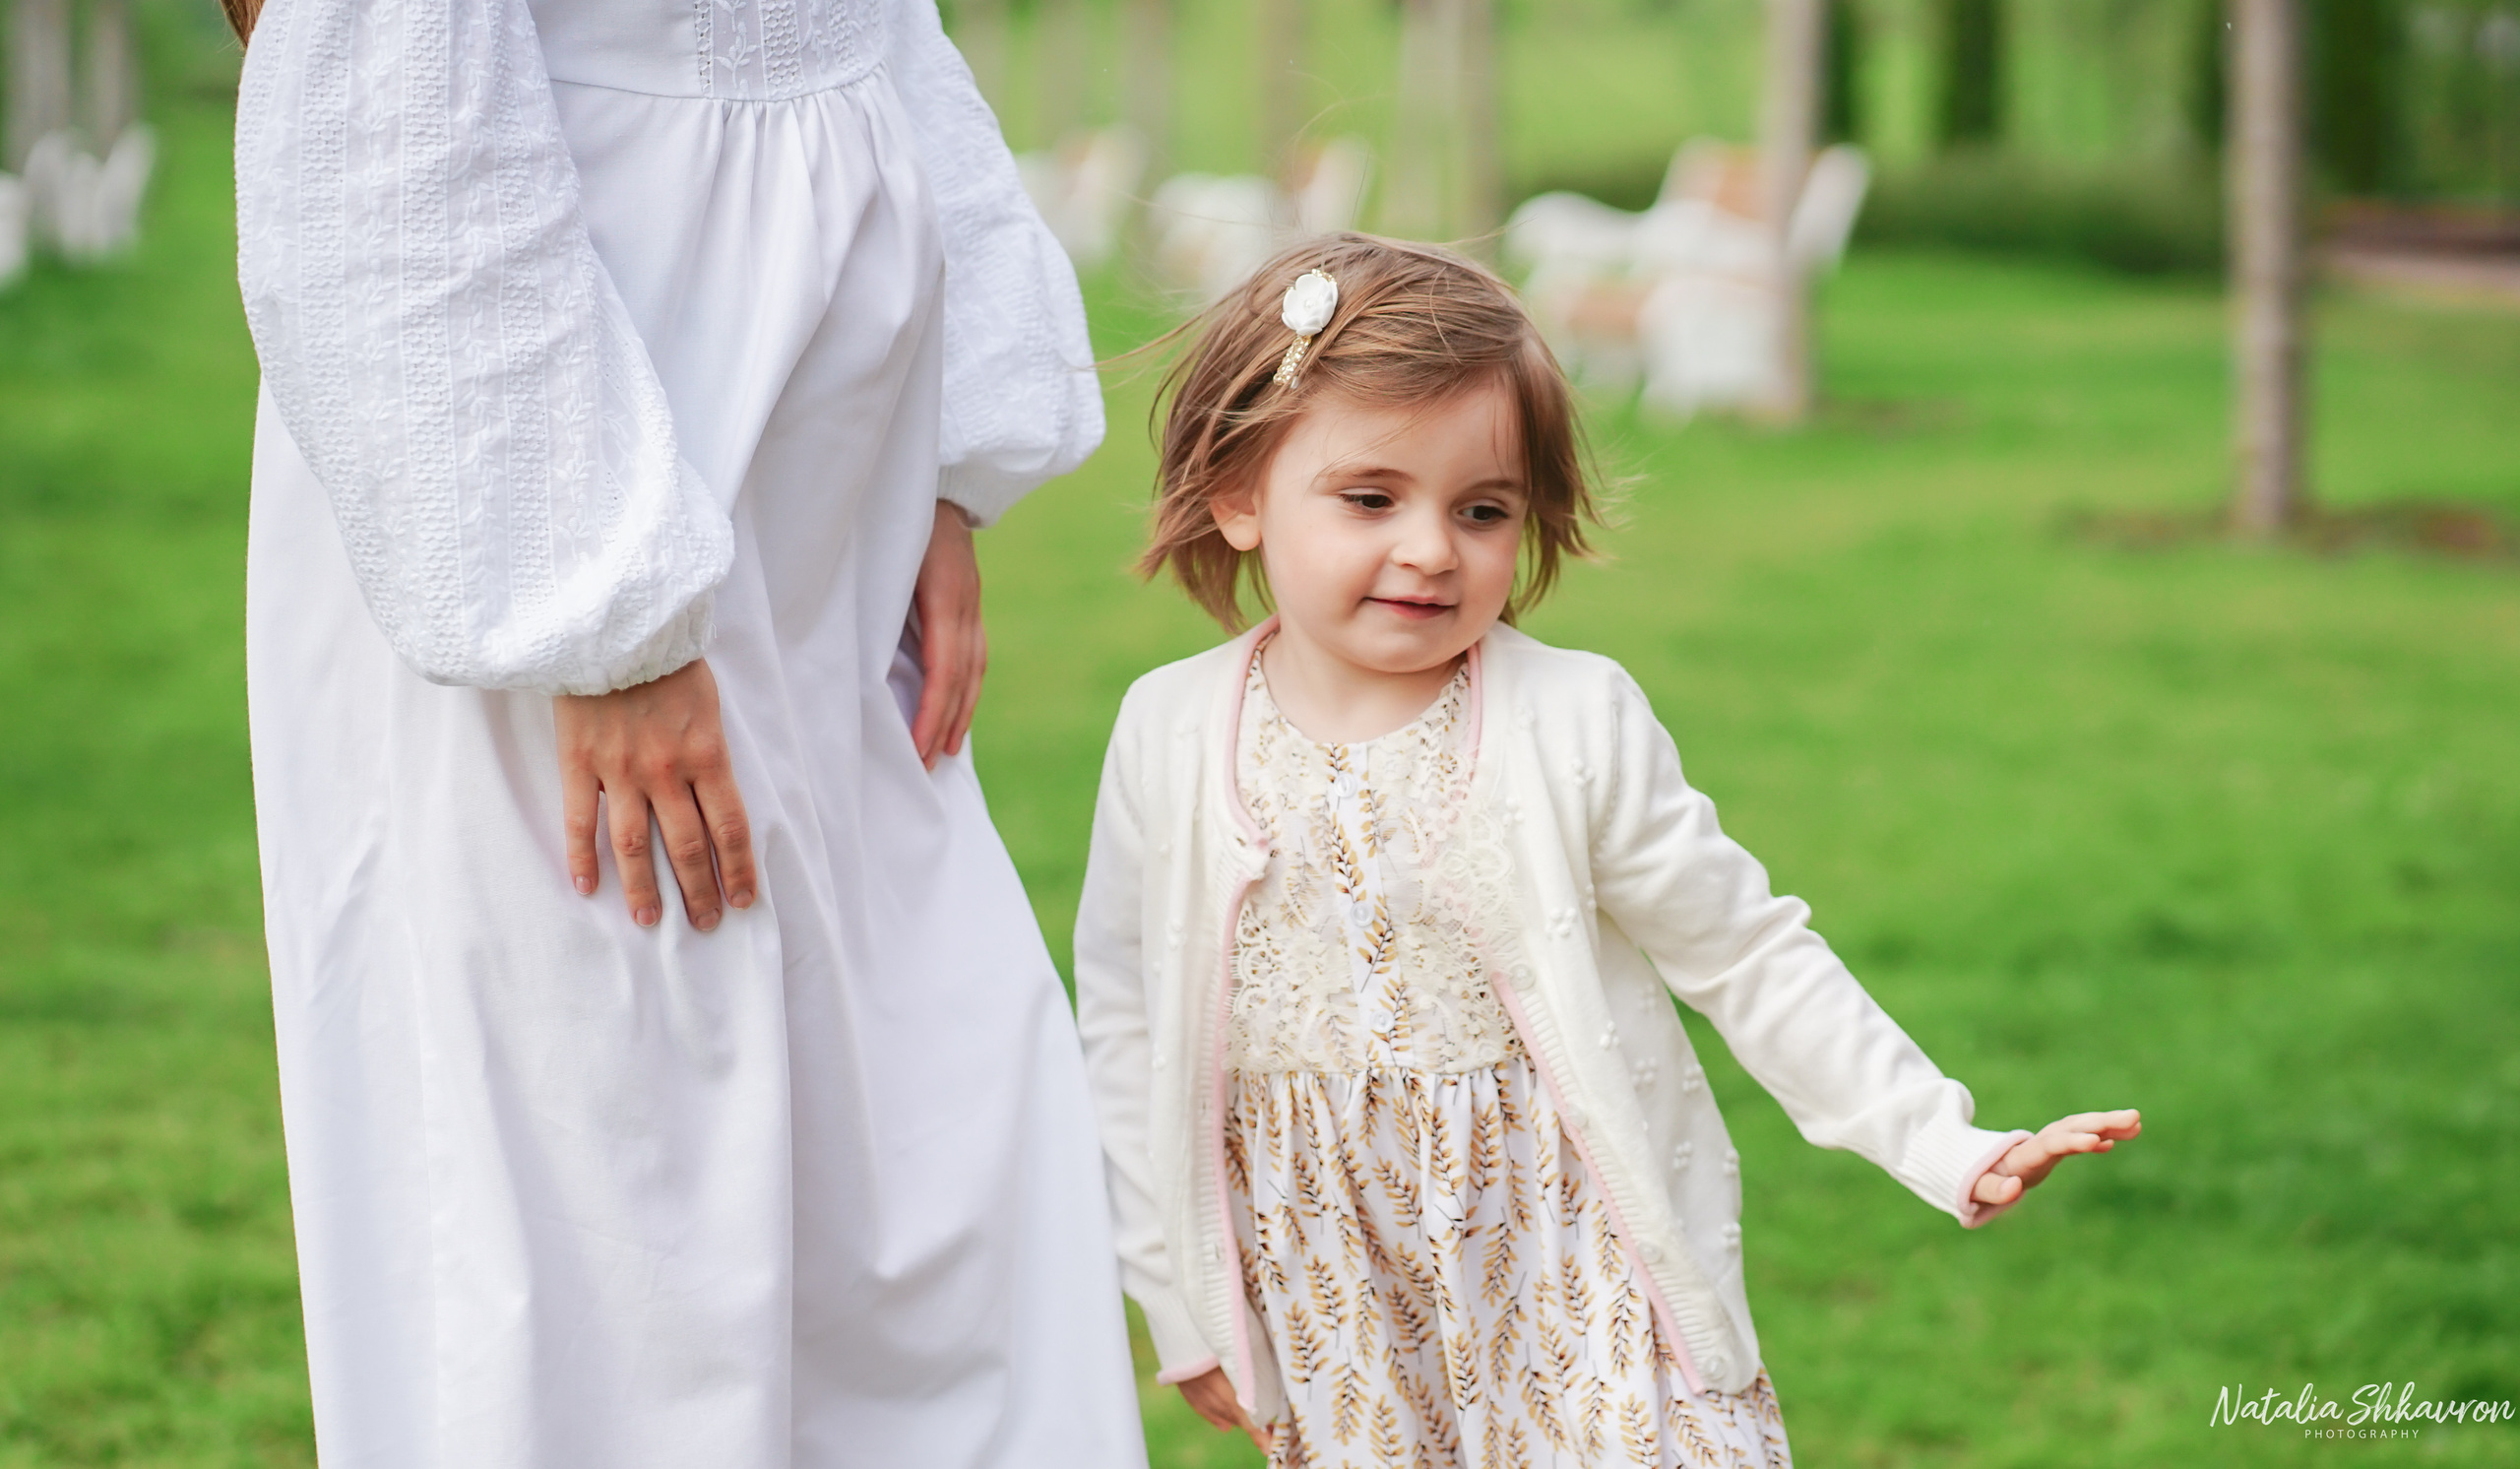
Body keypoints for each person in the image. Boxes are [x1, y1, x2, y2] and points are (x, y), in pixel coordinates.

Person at [227, 0, 1145, 1460]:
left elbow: (884, 39)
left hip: (825, 487)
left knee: (929, 1150)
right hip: (551, 444)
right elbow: (389, 95)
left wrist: (947, 459)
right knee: (626, 1188)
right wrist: (591, 607)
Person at [1072, 234, 2142, 1467]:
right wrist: (1179, 1292)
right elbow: (1125, 1018)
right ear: (1238, 492)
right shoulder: (1165, 729)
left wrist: (1939, 1136)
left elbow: (1744, 951)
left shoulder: (1569, 720)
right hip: (1336, 1297)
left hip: (1575, 1257)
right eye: (1371, 498)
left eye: (1481, 511)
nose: (1431, 548)